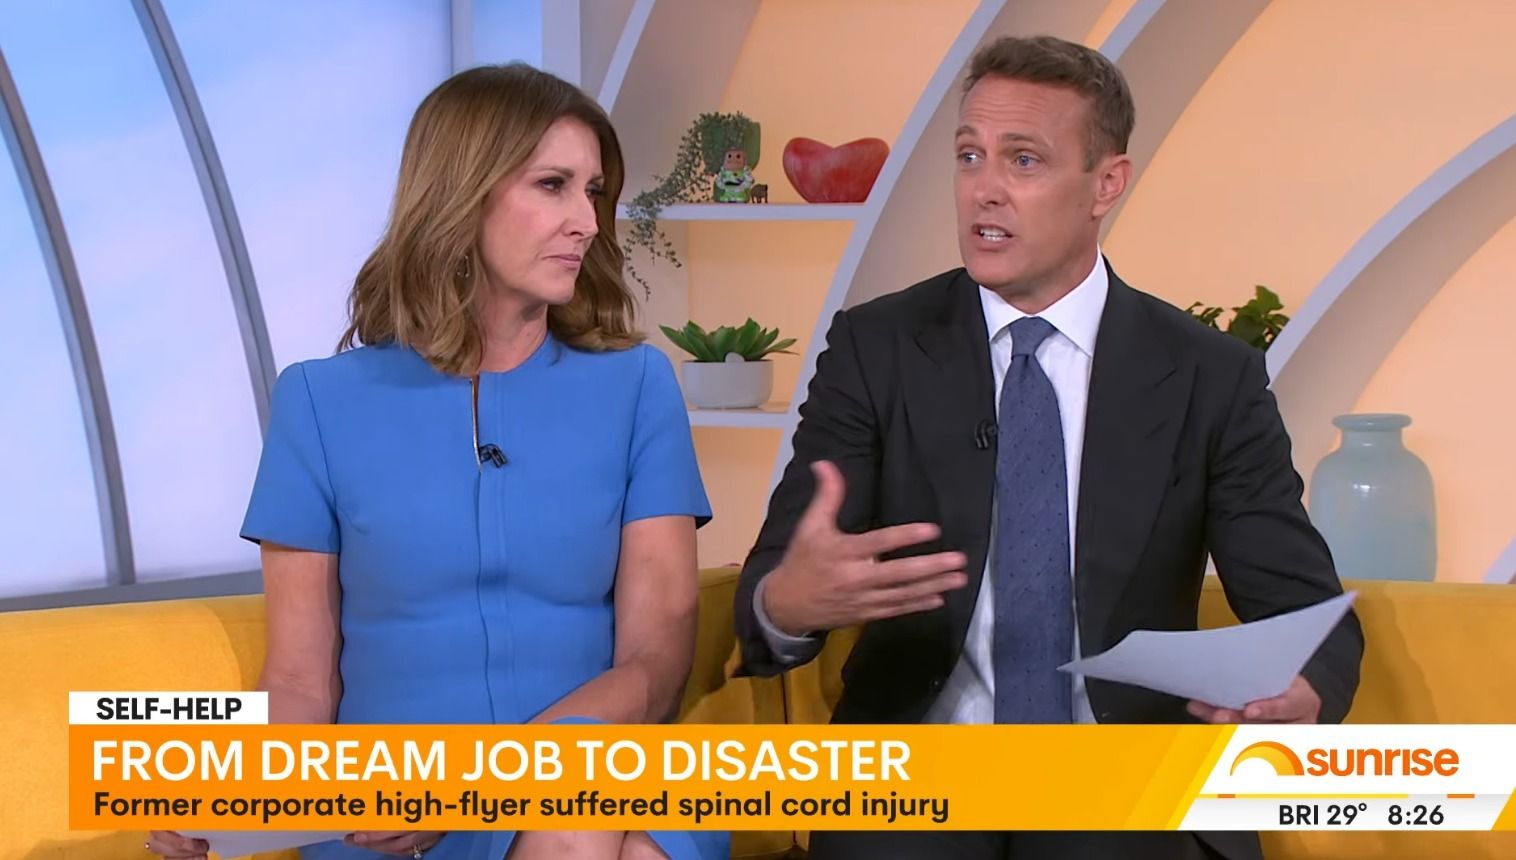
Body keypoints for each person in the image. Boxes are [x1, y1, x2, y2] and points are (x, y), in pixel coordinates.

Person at [733, 35, 1364, 860]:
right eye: (969, 156)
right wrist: (787, 604)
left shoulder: (1208, 376)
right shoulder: (875, 349)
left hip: (1117, 781)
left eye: (1023, 160)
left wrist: (1301, 689)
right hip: (920, 780)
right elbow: (773, 588)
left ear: (1107, 183)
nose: (984, 189)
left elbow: (1304, 611)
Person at [148, 63, 726, 860]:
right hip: (391, 813)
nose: (588, 222)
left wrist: (486, 780)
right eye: (553, 185)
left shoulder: (637, 387)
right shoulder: (319, 402)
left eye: (593, 191)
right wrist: (215, 795)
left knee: (590, 819)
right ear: (462, 194)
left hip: (594, 776)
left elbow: (655, 664)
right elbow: (300, 683)